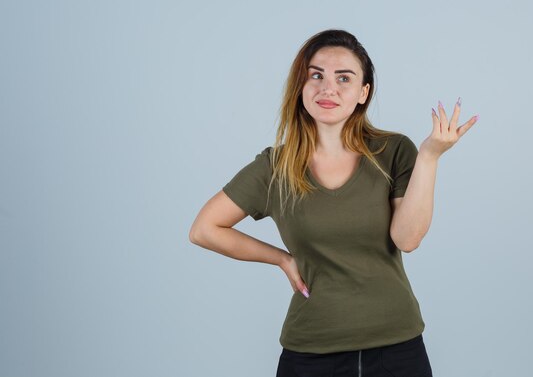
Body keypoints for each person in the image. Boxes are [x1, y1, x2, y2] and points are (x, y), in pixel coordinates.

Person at [189, 28, 478, 377]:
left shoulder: (395, 151)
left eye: (344, 78)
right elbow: (204, 229)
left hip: (397, 349)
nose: (328, 88)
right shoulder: (274, 167)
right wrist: (281, 259)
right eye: (316, 76)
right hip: (311, 352)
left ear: (363, 92)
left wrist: (430, 156)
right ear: (301, 86)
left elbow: (408, 239)